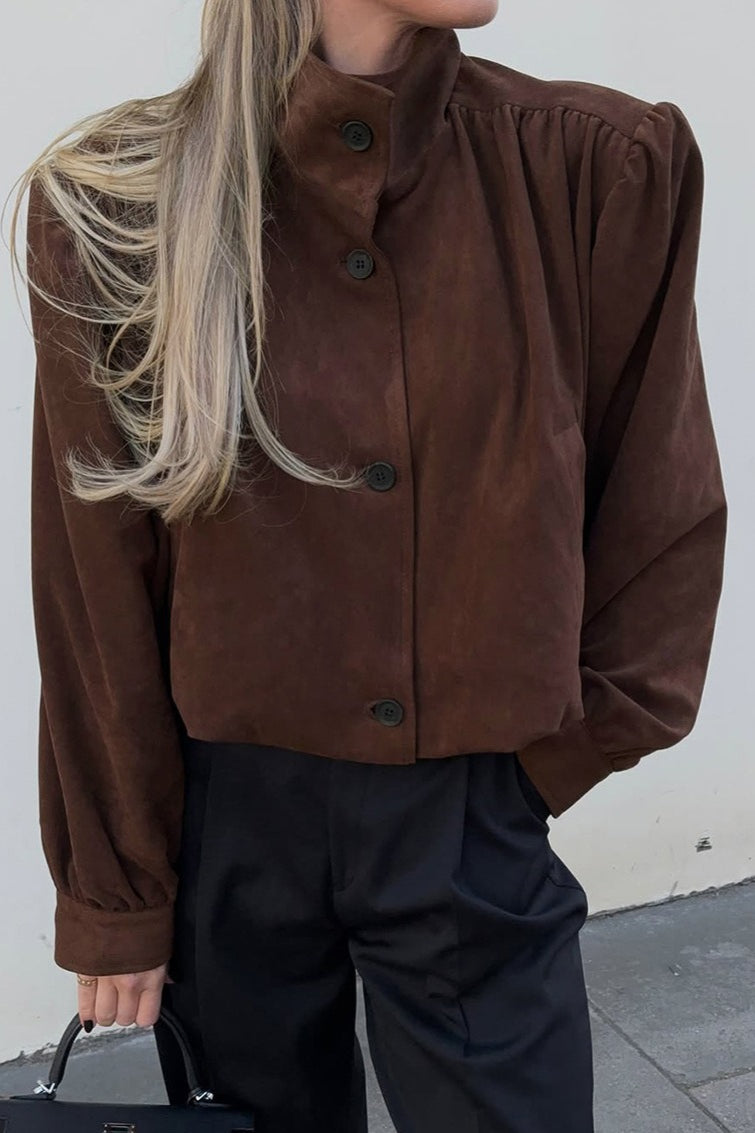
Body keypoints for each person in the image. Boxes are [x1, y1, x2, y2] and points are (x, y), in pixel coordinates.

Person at [10, 0, 727, 1130]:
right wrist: (118, 892)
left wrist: (534, 769)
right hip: (225, 832)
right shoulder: (116, 205)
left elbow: (660, 513)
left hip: (469, 808)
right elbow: (92, 587)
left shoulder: (592, 168)